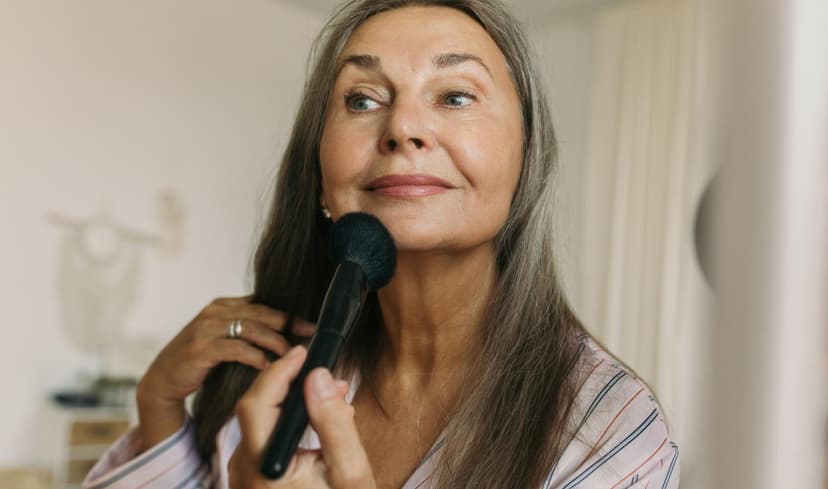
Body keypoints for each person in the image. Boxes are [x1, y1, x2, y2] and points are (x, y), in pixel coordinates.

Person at [83, 0, 680, 487]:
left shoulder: (608, 431)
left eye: (454, 96)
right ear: (320, 173)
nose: (402, 128)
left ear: (528, 158)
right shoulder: (260, 380)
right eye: (362, 99)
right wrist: (158, 410)